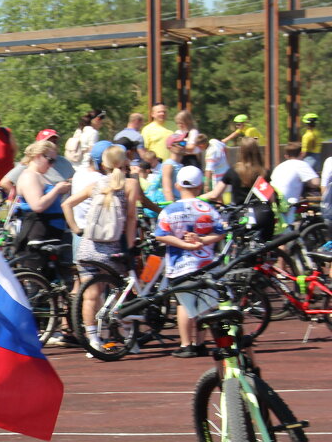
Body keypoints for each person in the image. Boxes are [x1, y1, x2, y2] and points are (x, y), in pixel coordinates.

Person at [63, 144, 138, 354]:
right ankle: (128, 336)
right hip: (112, 248)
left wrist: (77, 229)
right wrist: (130, 245)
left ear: (103, 163)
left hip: (88, 246)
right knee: (119, 292)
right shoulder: (130, 184)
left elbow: (66, 204)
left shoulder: (96, 184)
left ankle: (93, 341)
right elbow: (132, 218)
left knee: (90, 295)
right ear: (124, 162)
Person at [153, 165, 225, 357]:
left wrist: (183, 245)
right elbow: (219, 232)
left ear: (177, 185)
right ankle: (200, 343)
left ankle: (186, 344)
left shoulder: (169, 210)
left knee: (183, 304)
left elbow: (161, 235)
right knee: (205, 303)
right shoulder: (208, 208)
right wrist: (200, 242)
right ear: (200, 186)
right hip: (205, 263)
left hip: (179, 265)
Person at [12, 140, 72, 258]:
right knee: (37, 273)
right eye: (50, 160)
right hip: (39, 230)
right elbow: (37, 205)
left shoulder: (39, 176)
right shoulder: (30, 176)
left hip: (51, 230)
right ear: (38, 156)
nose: (52, 165)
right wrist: (57, 189)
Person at [214, 138, 275, 241]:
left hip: (242, 216)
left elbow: (215, 194)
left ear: (241, 151)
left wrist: (200, 198)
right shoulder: (263, 172)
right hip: (263, 215)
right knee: (264, 248)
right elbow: (271, 198)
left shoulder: (233, 171)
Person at [271, 141, 319, 223]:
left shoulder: (279, 166)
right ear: (302, 154)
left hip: (274, 202)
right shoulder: (301, 164)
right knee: (289, 231)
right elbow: (315, 183)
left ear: (286, 156)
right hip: (287, 204)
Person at [162, 133, 188, 202]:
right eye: (181, 143)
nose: (184, 146)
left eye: (185, 142)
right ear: (171, 147)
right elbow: (167, 190)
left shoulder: (180, 165)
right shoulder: (168, 165)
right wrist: (173, 207)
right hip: (174, 203)